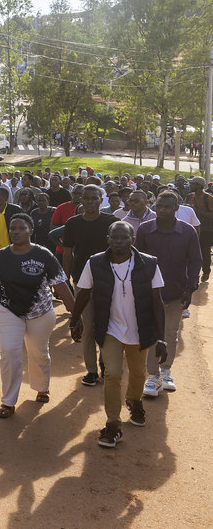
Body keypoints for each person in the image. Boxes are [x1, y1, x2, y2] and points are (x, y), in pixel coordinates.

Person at [69, 221, 167, 449]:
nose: (119, 242)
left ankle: (134, 401)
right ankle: (113, 425)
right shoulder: (95, 263)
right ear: (108, 239)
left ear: (133, 240)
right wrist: (74, 321)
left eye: (124, 238)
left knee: (138, 373)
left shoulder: (149, 264)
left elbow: (157, 303)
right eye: (115, 238)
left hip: (140, 329)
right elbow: (84, 294)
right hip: (110, 328)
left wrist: (161, 339)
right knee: (112, 374)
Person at [0, 214, 75, 418]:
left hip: (40, 312)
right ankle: (8, 401)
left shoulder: (44, 255)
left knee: (38, 352)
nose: (16, 232)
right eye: (12, 228)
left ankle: (42, 387)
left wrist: (75, 315)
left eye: (21, 228)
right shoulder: (2, 256)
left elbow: (60, 285)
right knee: (8, 352)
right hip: (9, 310)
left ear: (31, 231)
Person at [135, 192, 200, 396]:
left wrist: (190, 289)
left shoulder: (188, 232)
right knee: (153, 333)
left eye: (167, 207)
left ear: (176, 208)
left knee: (170, 333)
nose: (162, 210)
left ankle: (166, 371)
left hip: (175, 292)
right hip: (149, 293)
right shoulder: (145, 230)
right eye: (159, 206)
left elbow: (195, 261)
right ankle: (153, 377)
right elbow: (136, 261)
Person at [63, 185, 120, 387]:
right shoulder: (72, 224)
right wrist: (67, 282)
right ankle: (91, 370)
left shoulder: (112, 222)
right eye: (85, 198)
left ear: (100, 199)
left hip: (109, 282)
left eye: (94, 198)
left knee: (107, 325)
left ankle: (105, 364)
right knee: (87, 328)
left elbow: (120, 250)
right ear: (81, 200)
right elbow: (68, 254)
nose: (89, 202)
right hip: (82, 282)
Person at [186, 176, 213, 281]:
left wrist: (196, 210)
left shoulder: (209, 198)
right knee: (191, 251)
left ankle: (206, 272)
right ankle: (194, 273)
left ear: (199, 186)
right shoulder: (190, 196)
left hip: (206, 229)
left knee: (205, 250)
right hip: (193, 227)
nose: (190, 185)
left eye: (192, 184)